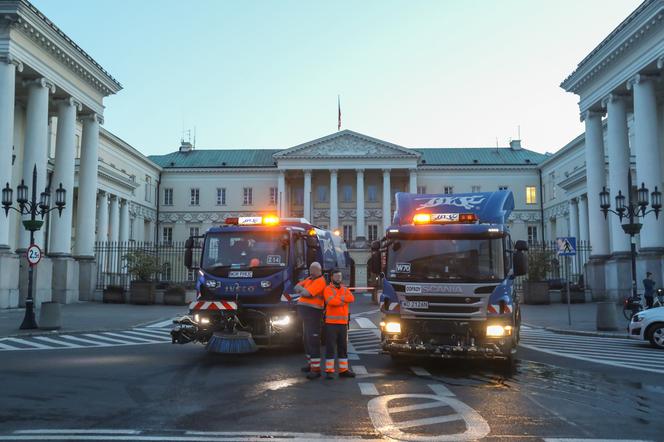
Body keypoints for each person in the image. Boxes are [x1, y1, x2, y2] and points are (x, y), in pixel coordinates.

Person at [295, 262, 327, 379]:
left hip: (314, 315)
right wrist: (303, 290)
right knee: (306, 340)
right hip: (307, 316)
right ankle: (310, 365)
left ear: (319, 271)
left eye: (313, 270)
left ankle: (316, 369)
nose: (311, 272)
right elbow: (296, 287)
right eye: (310, 270)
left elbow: (307, 293)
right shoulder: (309, 279)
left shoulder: (320, 281)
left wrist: (303, 290)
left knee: (313, 342)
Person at [322, 269, 355, 380]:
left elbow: (352, 298)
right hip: (331, 324)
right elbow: (330, 301)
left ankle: (343, 370)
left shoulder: (345, 289)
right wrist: (343, 301)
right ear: (331, 277)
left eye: (340, 276)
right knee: (330, 348)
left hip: (343, 324)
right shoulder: (327, 289)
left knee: (343, 348)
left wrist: (340, 299)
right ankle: (329, 371)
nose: (338, 278)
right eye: (336, 276)